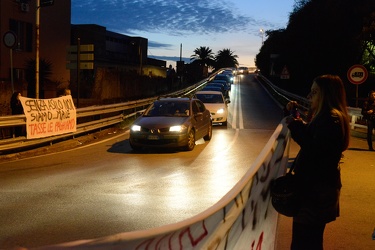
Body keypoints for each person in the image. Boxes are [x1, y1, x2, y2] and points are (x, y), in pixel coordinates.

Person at [285, 75, 350, 250]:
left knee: (304, 243)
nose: (308, 96)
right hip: (317, 191)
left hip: (315, 193)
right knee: (310, 241)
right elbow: (312, 136)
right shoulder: (328, 117)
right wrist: (294, 115)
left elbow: (314, 148)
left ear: (326, 94)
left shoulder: (331, 119)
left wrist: (294, 125)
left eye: (314, 92)